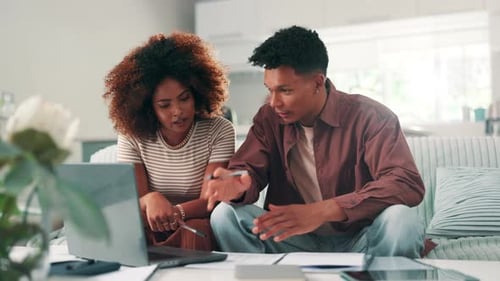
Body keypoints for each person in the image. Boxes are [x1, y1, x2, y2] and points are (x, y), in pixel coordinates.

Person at [206, 26, 426, 257]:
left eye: (285, 90)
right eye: (270, 90)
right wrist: (238, 185)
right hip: (292, 239)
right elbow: (246, 170)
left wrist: (324, 210)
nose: (274, 102)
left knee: (402, 219)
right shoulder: (268, 119)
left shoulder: (371, 117)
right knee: (225, 215)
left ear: (318, 83)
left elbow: (405, 183)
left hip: (363, 238)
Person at [103, 32, 235, 251]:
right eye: (164, 105)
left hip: (194, 225)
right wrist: (150, 199)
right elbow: (134, 203)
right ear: (148, 107)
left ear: (198, 93)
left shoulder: (219, 130)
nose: (177, 112)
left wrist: (176, 212)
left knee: (196, 233)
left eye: (184, 98)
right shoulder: (132, 136)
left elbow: (210, 202)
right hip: (148, 225)